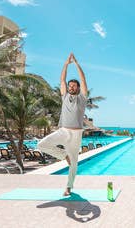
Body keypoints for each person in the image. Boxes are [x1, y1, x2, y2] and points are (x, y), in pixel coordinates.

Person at [38, 53, 88, 196]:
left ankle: (68, 187)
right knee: (41, 145)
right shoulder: (64, 96)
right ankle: (62, 154)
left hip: (76, 134)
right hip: (63, 131)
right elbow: (62, 80)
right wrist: (66, 64)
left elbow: (83, 80)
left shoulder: (82, 99)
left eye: (74, 86)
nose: (71, 87)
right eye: (70, 86)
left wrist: (77, 63)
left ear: (78, 88)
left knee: (74, 164)